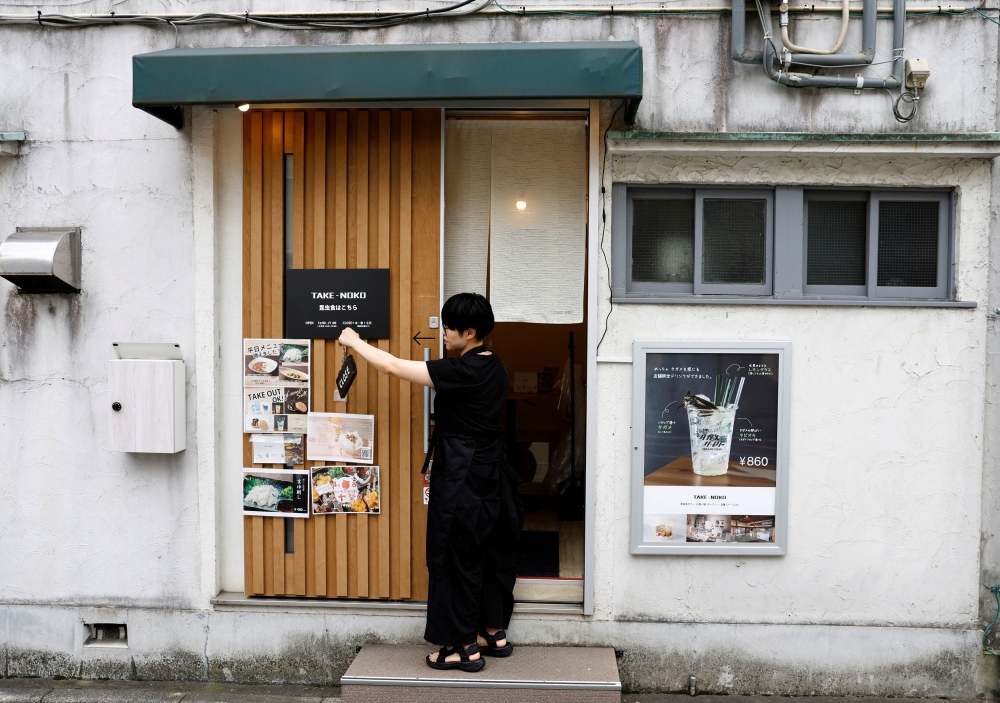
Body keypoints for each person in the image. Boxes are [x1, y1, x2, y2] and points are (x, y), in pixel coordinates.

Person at [337, 292, 523, 673]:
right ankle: (493, 631)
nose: (443, 334)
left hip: (461, 476)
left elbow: (391, 367)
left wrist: (354, 341)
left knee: (454, 557)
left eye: (450, 329)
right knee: (486, 551)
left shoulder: (463, 371)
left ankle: (463, 647)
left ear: (469, 333)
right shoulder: (496, 367)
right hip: (491, 471)